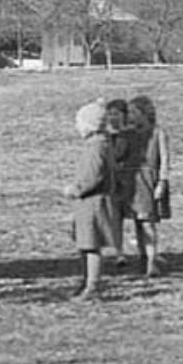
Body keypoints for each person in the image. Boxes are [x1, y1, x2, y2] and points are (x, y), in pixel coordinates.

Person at [69, 100, 128, 300]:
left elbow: (93, 175)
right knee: (85, 243)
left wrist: (76, 189)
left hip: (93, 203)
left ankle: (92, 285)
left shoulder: (96, 147)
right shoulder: (102, 144)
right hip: (91, 202)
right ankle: (86, 280)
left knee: (91, 244)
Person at [113, 88, 170, 277]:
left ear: (145, 113)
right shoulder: (127, 134)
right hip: (131, 183)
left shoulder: (158, 133)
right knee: (137, 223)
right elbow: (118, 156)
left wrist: (162, 182)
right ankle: (143, 258)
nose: (130, 116)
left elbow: (164, 160)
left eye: (134, 112)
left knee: (147, 223)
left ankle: (152, 261)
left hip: (148, 182)